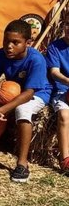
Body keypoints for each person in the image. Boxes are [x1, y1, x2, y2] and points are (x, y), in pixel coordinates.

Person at [0, 20, 52, 182]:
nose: (9, 46)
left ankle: (22, 163)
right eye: (6, 41)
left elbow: (29, 94)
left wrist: (2, 110)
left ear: (28, 43)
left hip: (37, 93)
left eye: (15, 43)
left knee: (22, 110)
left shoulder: (36, 60)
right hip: (12, 91)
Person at [44, 15, 69, 174]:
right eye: (68, 23)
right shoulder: (55, 47)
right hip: (62, 89)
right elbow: (54, 72)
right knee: (64, 116)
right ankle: (66, 160)